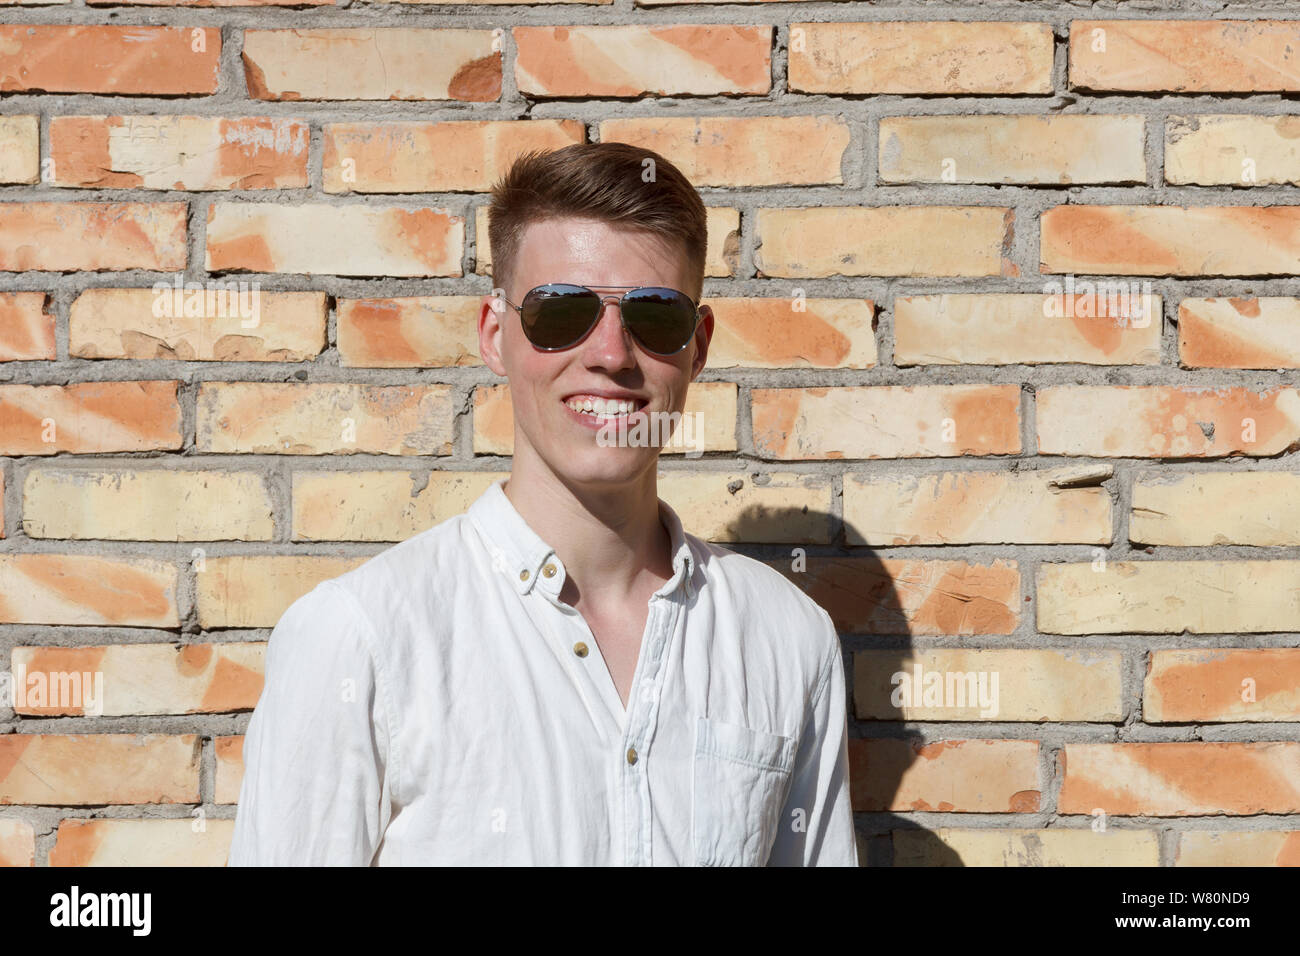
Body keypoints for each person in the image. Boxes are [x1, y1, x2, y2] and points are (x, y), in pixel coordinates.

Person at [227, 142, 857, 866]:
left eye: (655, 316)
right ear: (497, 336)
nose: (612, 354)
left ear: (698, 345)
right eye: (563, 312)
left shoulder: (785, 639)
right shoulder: (361, 638)